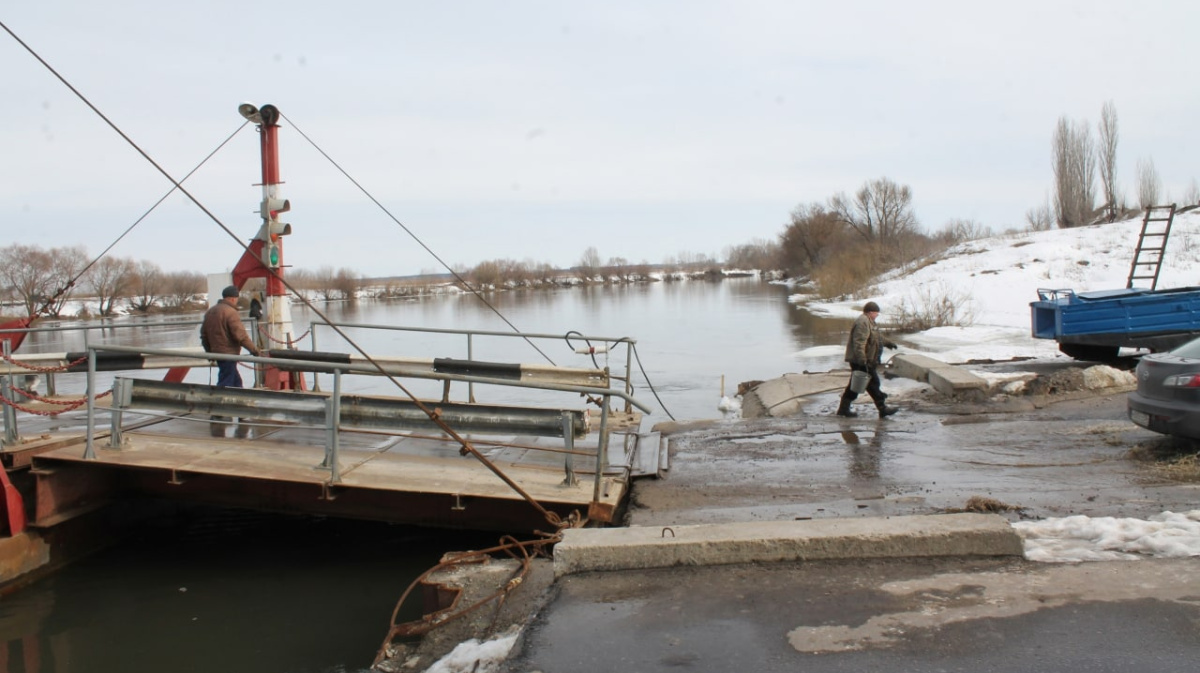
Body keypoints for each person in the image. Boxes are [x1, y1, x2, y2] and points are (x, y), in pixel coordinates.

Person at [201, 285, 263, 436]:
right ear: (232, 298)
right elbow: (240, 335)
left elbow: (203, 336)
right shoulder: (231, 312)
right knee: (226, 381)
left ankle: (241, 411)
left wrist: (210, 352)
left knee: (236, 381)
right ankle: (216, 411)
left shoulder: (211, 311)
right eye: (236, 298)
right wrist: (254, 350)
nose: (236, 301)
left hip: (218, 353)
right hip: (228, 353)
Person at [836, 301, 899, 418]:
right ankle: (883, 409)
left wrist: (888, 343)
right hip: (861, 361)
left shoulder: (869, 322)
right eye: (876, 313)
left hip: (866, 360)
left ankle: (843, 409)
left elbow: (876, 337)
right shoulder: (862, 322)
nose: (877, 315)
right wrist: (862, 360)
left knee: (856, 386)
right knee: (873, 383)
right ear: (870, 312)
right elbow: (859, 343)